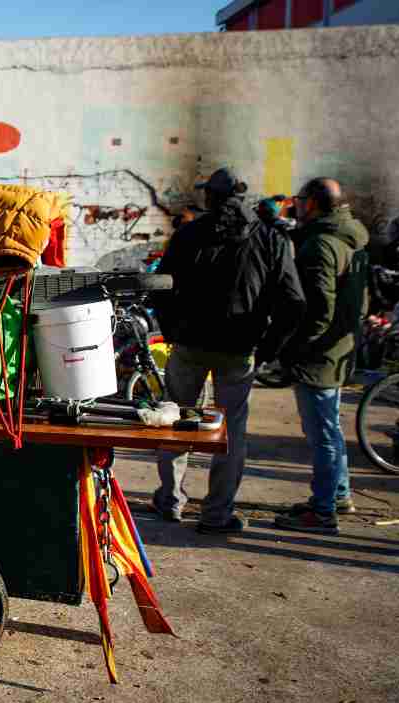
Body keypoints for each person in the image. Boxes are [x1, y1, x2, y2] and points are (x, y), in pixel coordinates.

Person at [152, 167, 306, 534]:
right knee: (230, 431)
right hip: (238, 350)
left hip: (189, 345)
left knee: (177, 421)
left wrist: (171, 328)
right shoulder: (271, 239)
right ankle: (217, 514)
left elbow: (160, 284)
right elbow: (294, 301)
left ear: (211, 197)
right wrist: (267, 348)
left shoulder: (189, 234)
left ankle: (171, 501)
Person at [275, 178, 369, 535]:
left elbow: (318, 310)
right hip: (339, 349)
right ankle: (338, 495)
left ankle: (323, 510)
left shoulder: (321, 245)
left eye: (299, 199)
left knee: (323, 435)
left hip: (319, 356)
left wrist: (296, 348)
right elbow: (361, 301)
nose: (295, 205)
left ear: (312, 203)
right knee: (331, 427)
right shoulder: (351, 237)